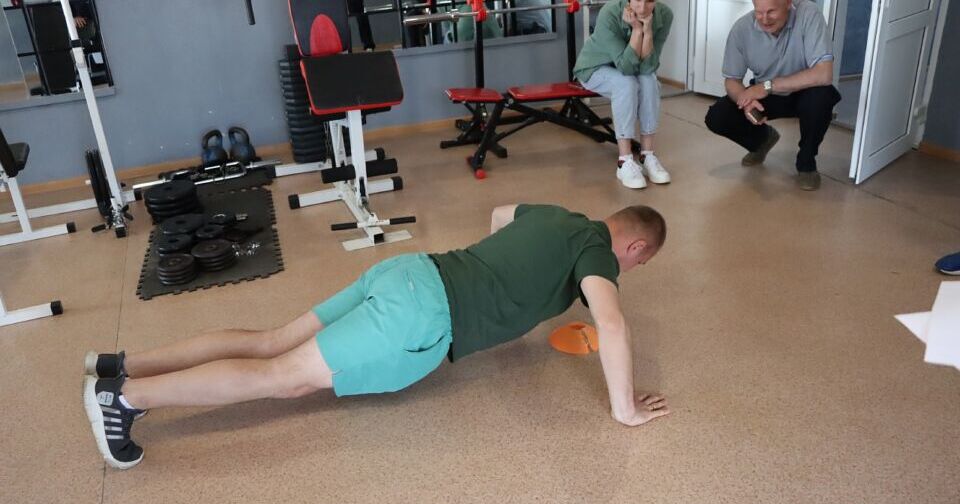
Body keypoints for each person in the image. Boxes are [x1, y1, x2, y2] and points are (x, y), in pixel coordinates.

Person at [83, 204, 671, 469]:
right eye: (637, 264)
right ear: (635, 246)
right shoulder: (599, 253)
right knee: (282, 378)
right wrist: (624, 409)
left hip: (410, 270)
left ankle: (118, 365)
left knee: (271, 340)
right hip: (419, 313)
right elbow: (610, 322)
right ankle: (124, 398)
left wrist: (501, 282)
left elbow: (499, 214)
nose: (628, 271)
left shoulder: (556, 215)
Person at [704, 0, 841, 191]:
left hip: (805, 92)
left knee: (821, 97)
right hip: (767, 96)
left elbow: (823, 74)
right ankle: (762, 140)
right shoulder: (741, 29)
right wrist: (745, 101)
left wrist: (768, 86)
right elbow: (732, 81)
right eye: (759, 12)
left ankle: (807, 163)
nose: (764, 19)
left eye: (771, 12)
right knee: (718, 116)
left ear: (788, 3)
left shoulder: (809, 14)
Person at [573, 0, 673, 190]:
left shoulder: (665, 15)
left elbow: (648, 67)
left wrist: (647, 31)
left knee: (649, 80)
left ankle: (647, 155)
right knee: (626, 83)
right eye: (637, 0)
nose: (642, 8)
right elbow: (626, 68)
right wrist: (637, 29)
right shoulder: (609, 12)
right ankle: (624, 161)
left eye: (649, 1)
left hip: (631, 69)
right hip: (594, 67)